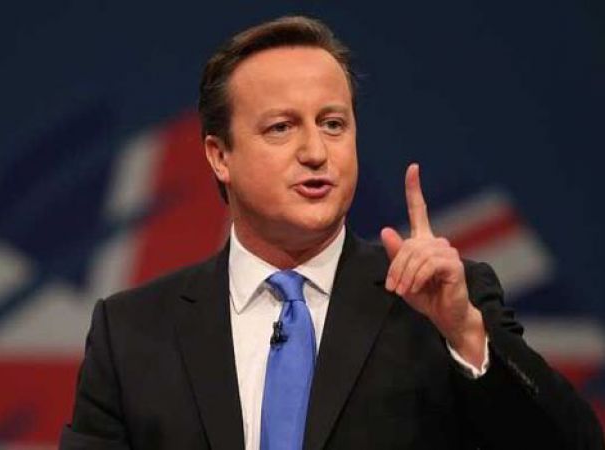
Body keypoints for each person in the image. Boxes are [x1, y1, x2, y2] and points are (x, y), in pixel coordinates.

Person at [60, 15, 604, 450]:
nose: (316, 152)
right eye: (282, 127)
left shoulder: (441, 302)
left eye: (333, 124)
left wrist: (465, 333)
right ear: (220, 156)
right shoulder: (131, 332)